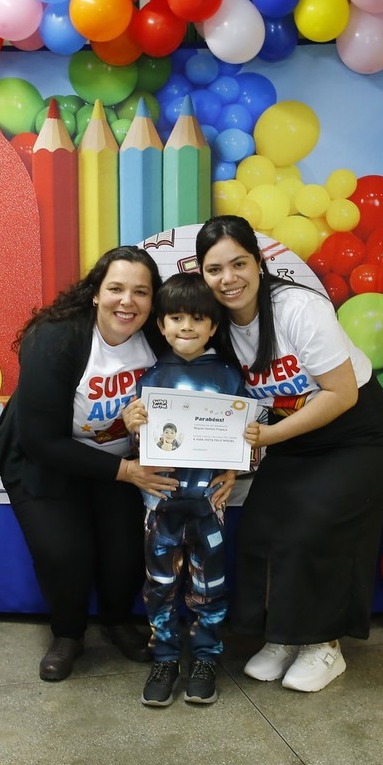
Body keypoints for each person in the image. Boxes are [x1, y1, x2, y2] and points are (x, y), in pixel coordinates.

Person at [194, 215, 383, 693]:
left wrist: (269, 439)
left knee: (315, 525)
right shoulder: (216, 323)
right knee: (262, 526)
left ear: (259, 262)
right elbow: (233, 406)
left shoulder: (298, 308)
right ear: (202, 275)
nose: (228, 279)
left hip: (358, 433)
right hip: (293, 434)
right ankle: (285, 635)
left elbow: (341, 394)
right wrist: (234, 461)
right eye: (214, 269)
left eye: (239, 264)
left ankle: (323, 645)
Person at [0, 246, 178, 682]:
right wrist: (127, 473)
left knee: (125, 550)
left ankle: (117, 621)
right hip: (45, 458)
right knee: (64, 552)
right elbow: (40, 440)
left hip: (118, 460)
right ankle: (68, 635)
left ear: (153, 300)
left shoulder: (159, 336)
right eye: (116, 289)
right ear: (95, 293)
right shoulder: (55, 338)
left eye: (141, 292)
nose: (127, 301)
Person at [122, 272, 248, 707]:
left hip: (209, 505)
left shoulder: (229, 377)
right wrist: (131, 423)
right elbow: (140, 448)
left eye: (197, 318)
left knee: (209, 584)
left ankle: (206, 658)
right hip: (160, 504)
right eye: (176, 318)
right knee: (159, 583)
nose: (187, 327)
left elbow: (249, 435)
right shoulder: (150, 378)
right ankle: (164, 658)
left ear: (213, 326)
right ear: (161, 325)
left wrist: (236, 469)